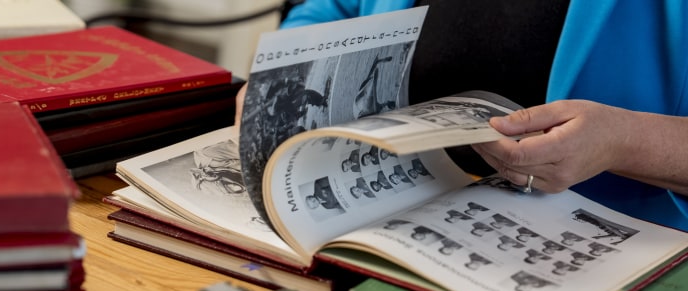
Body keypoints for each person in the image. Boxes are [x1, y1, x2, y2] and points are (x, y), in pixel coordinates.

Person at [275, 1, 688, 232]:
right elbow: (330, 9)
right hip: (369, 226)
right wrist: (283, 79)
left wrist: (626, 141)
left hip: (599, 261)